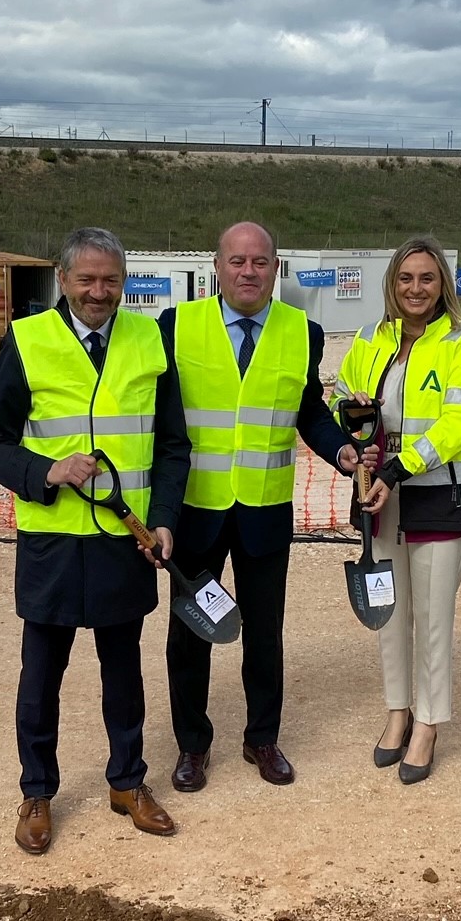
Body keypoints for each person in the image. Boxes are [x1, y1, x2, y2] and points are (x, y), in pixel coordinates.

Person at [0, 226, 190, 854]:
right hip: (52, 542)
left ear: (124, 283)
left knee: (124, 671)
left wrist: (166, 519)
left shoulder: (150, 338)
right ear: (63, 280)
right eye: (87, 279)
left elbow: (173, 446)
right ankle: (37, 791)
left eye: (110, 280)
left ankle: (128, 782)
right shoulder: (29, 338)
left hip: (127, 538)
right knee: (42, 674)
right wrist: (47, 471)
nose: (99, 292)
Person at [157, 222, 356, 791]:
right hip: (197, 509)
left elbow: (309, 409)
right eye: (237, 261)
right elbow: (162, 421)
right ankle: (192, 745)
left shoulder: (303, 331)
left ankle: (262, 739)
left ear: (276, 268)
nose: (249, 271)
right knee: (191, 632)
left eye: (261, 262)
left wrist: (340, 447)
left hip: (265, 511)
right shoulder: (178, 326)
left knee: (266, 632)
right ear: (217, 267)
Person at [336, 237, 461, 784]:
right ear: (392, 284)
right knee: (390, 611)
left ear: (442, 284)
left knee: (431, 618)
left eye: (427, 278)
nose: (415, 289)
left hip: (435, 493)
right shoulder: (370, 338)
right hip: (378, 491)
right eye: (406, 279)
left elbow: (457, 426)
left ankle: (429, 722)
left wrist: (397, 466)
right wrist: (357, 434)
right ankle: (397, 711)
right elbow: (347, 395)